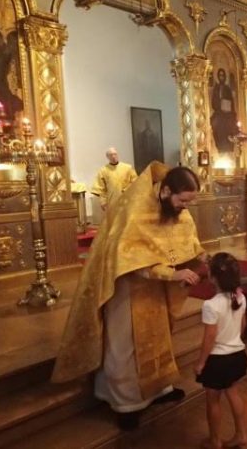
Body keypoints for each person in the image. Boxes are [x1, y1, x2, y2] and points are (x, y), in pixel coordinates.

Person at [52, 163, 206, 430]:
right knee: (125, 346)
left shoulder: (176, 209)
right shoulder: (135, 212)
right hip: (126, 288)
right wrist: (174, 275)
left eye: (189, 202)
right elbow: (130, 261)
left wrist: (203, 256)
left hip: (156, 289)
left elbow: (186, 240)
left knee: (159, 337)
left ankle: (159, 389)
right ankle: (125, 403)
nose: (185, 207)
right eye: (182, 201)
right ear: (166, 190)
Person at [195, 253, 247, 449]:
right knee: (234, 393)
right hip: (237, 355)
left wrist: (201, 363)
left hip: (217, 360)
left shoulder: (210, 305)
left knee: (213, 400)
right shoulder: (240, 298)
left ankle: (215, 441)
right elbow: (243, 325)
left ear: (213, 277)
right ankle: (241, 434)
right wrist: (234, 341)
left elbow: (210, 338)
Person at [90, 147, 138, 211]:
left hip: (127, 199)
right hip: (112, 201)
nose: (113, 156)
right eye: (111, 155)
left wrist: (126, 189)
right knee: (114, 220)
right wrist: (103, 201)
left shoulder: (128, 167)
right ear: (107, 157)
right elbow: (101, 188)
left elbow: (135, 181)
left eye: (115, 154)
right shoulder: (103, 170)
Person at [210, 68, 237, 154]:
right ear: (218, 77)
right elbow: (213, 102)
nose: (222, 77)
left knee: (231, 126)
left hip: (228, 113)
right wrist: (219, 104)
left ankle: (228, 147)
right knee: (215, 123)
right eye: (220, 75)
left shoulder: (227, 89)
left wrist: (229, 109)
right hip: (219, 112)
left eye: (223, 75)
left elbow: (231, 102)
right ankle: (220, 146)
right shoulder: (216, 88)